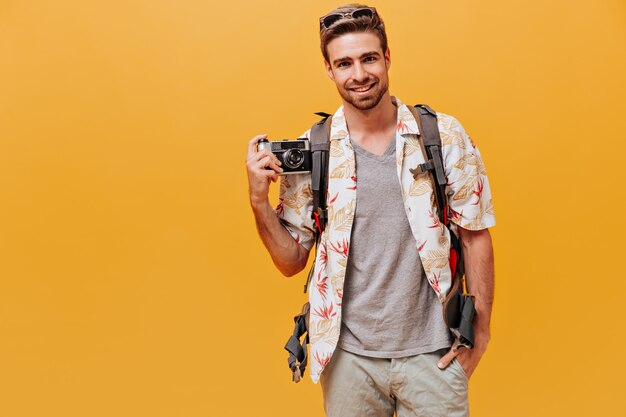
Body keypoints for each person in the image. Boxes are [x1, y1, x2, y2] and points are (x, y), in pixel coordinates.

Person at [246, 4, 495, 416]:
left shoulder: (442, 135)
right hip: (349, 361)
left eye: (368, 58)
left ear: (387, 57)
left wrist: (480, 333)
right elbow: (291, 261)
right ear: (329, 70)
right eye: (344, 63)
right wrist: (257, 201)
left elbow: (475, 233)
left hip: (433, 352)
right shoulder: (315, 149)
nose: (359, 74)